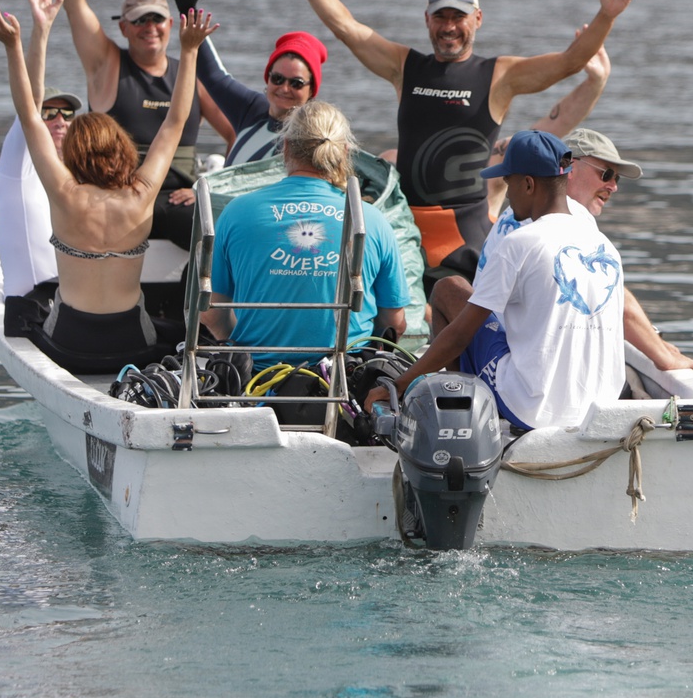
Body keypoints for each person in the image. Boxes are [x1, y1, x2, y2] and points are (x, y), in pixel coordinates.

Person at [274, 0, 639, 267]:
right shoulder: (405, 66)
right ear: (427, 19)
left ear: (477, 18)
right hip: (406, 228)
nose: (449, 27)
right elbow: (348, 29)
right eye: (441, 17)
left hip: (466, 234)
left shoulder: (500, 75)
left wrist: (606, 16)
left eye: (458, 17)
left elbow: (571, 61)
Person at [0, 0, 217, 375]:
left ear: (74, 152)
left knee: (27, 310)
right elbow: (174, 123)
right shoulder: (141, 194)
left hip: (69, 346)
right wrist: (189, 51)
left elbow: (29, 116)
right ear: (122, 149)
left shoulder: (64, 193)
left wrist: (14, 46)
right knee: (185, 334)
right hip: (132, 345)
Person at [374, 131, 624, 432]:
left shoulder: (520, 242)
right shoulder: (605, 246)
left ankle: (459, 412)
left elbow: (459, 336)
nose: (507, 194)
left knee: (447, 289)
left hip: (532, 410)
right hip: (600, 410)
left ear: (528, 184)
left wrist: (398, 385)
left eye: (509, 183)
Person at [432, 125, 693, 377]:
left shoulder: (535, 211)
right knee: (447, 289)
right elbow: (620, 304)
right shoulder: (546, 219)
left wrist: (656, 341)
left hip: (527, 353)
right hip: (517, 361)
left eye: (617, 177)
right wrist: (665, 359)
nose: (613, 186)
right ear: (570, 167)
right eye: (606, 173)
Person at [52, 0, 232, 245]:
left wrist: (209, 189)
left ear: (171, 24)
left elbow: (239, 134)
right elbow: (75, 6)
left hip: (178, 201)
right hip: (120, 202)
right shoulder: (106, 65)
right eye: (139, 21)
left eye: (157, 19)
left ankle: (196, 298)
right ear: (122, 27)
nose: (149, 28)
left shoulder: (190, 75)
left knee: (218, 232)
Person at [202, 102, 410, 373]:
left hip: (257, 378)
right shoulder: (371, 219)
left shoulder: (237, 211)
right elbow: (395, 321)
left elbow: (210, 313)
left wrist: (234, 348)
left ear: (286, 147)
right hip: (344, 381)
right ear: (345, 153)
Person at [0, 0, 85, 335]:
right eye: (50, 113)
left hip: (65, 304)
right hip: (29, 309)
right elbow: (29, 100)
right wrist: (39, 32)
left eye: (67, 113)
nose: (59, 120)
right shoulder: (20, 162)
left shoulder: (69, 173)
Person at [198, 28, 329, 166]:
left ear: (311, 90)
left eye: (296, 83)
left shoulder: (311, 141)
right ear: (268, 78)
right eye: (277, 79)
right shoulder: (253, 109)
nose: (284, 88)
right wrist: (189, 10)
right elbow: (212, 76)